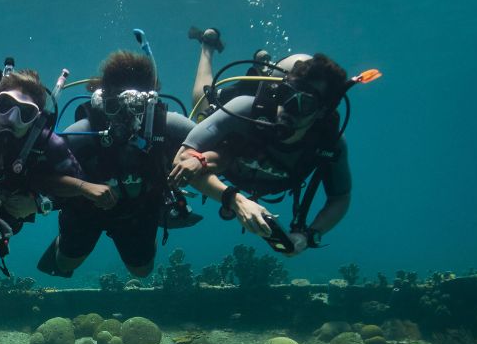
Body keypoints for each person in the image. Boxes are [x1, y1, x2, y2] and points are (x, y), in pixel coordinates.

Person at [170, 28, 374, 256]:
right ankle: (207, 46)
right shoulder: (245, 108)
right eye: (287, 95)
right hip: (225, 159)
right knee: (202, 105)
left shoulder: (329, 142)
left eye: (304, 104)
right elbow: (182, 158)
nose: (289, 109)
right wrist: (237, 201)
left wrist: (308, 235)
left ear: (321, 112)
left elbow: (340, 197)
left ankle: (261, 68)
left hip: (240, 167)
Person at [39, 49, 197, 278]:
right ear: (102, 100)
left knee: (142, 271)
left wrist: (196, 160)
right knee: (64, 264)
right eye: (114, 107)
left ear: (148, 103)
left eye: (135, 107)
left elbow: (210, 145)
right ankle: (63, 244)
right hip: (87, 209)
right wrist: (84, 188)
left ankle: (149, 230)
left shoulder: (166, 126)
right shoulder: (81, 133)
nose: (125, 117)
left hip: (138, 209)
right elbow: (43, 177)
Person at [0, 66, 107, 236]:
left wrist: (37, 205)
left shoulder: (46, 141)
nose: (11, 118)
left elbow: (77, 187)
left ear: (36, 119)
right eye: (6, 105)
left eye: (25, 113)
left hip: (1, 219)